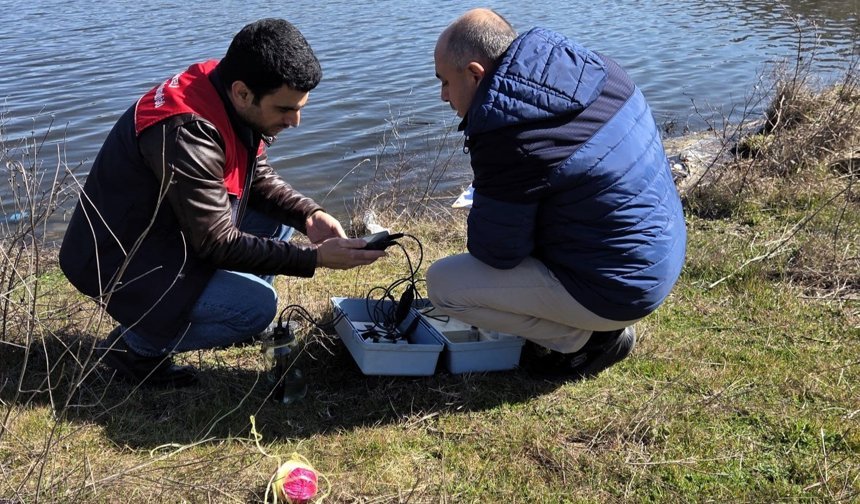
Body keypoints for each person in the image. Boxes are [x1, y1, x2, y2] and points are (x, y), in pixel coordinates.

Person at [59, 18, 385, 388]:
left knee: (276, 221)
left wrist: (309, 215)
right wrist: (315, 258)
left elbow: (255, 177)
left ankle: (230, 313)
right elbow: (216, 244)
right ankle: (136, 348)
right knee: (257, 307)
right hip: (117, 260)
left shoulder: (225, 86)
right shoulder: (187, 133)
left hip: (164, 232)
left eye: (299, 107)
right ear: (244, 93)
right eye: (284, 109)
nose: (295, 121)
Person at [426, 9, 687, 379]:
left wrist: (487, 198)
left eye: (445, 82)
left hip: (620, 288)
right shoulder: (596, 69)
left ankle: (584, 338)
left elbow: (497, 252)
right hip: (662, 253)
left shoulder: (506, 130)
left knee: (445, 285)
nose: (443, 96)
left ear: (474, 73)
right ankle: (588, 320)